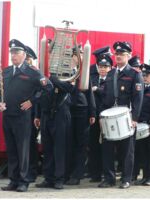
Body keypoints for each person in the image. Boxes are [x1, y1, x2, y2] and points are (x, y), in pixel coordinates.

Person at [0, 39, 49, 192]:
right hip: (8, 116)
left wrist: (32, 101)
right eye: (11, 52)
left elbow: (47, 88)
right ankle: (14, 180)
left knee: (22, 151)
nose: (13, 55)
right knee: (11, 150)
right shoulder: (5, 72)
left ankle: (24, 181)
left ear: (24, 55)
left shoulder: (31, 72)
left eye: (16, 53)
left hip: (22, 117)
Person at [98, 41, 143, 189]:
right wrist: (101, 117)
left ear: (128, 56)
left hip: (126, 117)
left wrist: (135, 118)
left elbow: (138, 98)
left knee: (126, 150)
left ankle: (126, 179)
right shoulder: (111, 73)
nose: (118, 56)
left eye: (121, 54)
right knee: (107, 149)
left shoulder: (134, 74)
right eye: (116, 54)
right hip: (109, 117)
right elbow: (104, 96)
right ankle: (109, 178)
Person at [65, 45, 96, 185]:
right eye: (77, 55)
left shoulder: (84, 72)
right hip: (67, 109)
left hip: (81, 110)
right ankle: (67, 172)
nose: (80, 58)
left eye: (82, 55)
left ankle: (77, 175)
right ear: (72, 56)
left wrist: (92, 112)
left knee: (80, 144)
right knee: (68, 143)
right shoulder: (65, 71)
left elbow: (89, 94)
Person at [89, 53, 113, 182]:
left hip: (106, 119)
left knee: (107, 147)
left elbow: (108, 94)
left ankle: (106, 173)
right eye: (100, 66)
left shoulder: (112, 80)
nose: (103, 69)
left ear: (110, 68)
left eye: (106, 66)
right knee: (93, 146)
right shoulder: (93, 79)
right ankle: (95, 174)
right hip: (94, 117)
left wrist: (97, 89)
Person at [24, 45, 40, 183]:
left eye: (29, 58)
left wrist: (36, 115)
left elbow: (39, 93)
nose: (27, 61)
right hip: (19, 113)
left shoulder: (35, 72)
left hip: (31, 112)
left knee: (30, 144)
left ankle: (32, 171)